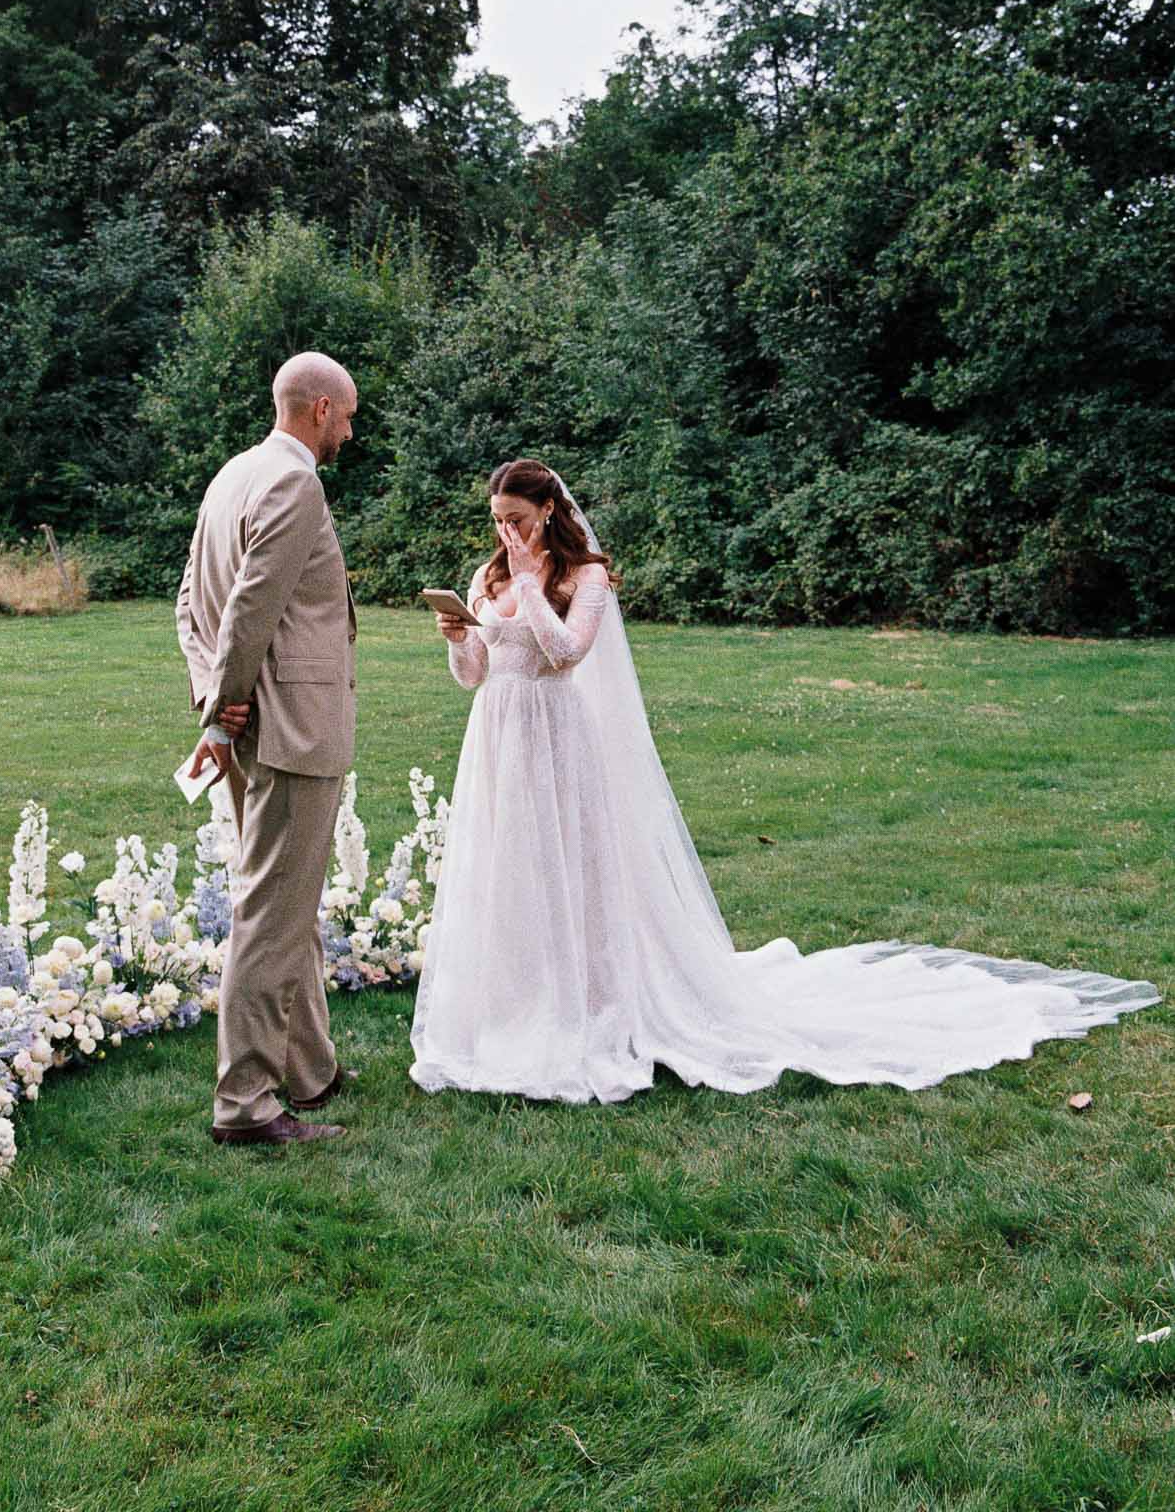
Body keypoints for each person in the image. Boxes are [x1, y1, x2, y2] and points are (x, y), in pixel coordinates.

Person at [411, 457, 1160, 1104]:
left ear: (548, 511)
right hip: (498, 738)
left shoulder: (585, 575)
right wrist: (458, 636)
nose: (505, 533)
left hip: (556, 736)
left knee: (567, 870)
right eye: (496, 520)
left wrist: (534, 587)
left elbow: (569, 653)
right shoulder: (487, 574)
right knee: (511, 870)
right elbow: (476, 674)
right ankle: (516, 1005)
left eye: (517, 517)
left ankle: (587, 1007)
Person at [178, 351, 359, 1146]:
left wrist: (215, 705)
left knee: (291, 906)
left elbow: (188, 603)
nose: (349, 434)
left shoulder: (231, 475)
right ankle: (246, 1105)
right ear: (317, 409)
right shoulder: (292, 481)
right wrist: (222, 709)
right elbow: (249, 606)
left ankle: (309, 1070)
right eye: (348, 417)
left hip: (255, 726)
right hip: (288, 729)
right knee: (271, 914)